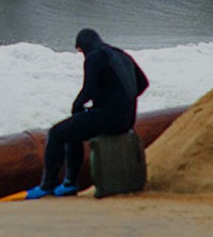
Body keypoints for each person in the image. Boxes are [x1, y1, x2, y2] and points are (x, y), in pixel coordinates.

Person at [26, 28, 149, 199]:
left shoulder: (94, 56)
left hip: (110, 118)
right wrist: (122, 101)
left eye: (80, 50)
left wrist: (76, 105)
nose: (82, 54)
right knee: (75, 130)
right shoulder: (121, 55)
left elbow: (88, 90)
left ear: (83, 46)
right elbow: (143, 83)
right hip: (127, 119)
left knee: (56, 133)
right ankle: (69, 183)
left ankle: (47, 185)